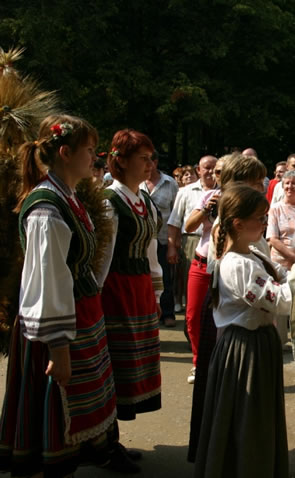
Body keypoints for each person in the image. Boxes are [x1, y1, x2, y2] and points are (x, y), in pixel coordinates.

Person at [0, 115, 119, 477]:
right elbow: (48, 283)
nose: (94, 158)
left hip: (80, 317)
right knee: (54, 420)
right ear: (65, 153)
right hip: (57, 330)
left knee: (78, 412)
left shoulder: (68, 197)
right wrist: (58, 349)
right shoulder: (47, 209)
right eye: (88, 150)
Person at [193, 183, 290, 478]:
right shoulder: (236, 265)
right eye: (260, 218)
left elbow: (284, 275)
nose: (265, 223)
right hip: (245, 350)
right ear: (238, 223)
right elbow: (278, 300)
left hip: (259, 343)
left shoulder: (253, 255)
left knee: (257, 415)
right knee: (247, 416)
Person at [187, 152, 269, 462]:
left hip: (236, 310)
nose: (262, 187)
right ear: (239, 185)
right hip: (231, 317)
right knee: (225, 388)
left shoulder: (243, 219)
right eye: (256, 182)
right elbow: (244, 278)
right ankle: (225, 453)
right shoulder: (230, 226)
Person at [96, 129, 163, 469]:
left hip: (139, 290)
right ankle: (105, 445)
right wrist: (94, 298)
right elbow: (102, 257)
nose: (149, 164)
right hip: (115, 291)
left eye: (151, 158)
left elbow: (151, 251)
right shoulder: (109, 201)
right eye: (143, 158)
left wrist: (156, 292)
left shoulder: (144, 200)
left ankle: (111, 442)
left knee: (130, 365)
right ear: (120, 161)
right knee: (113, 366)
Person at [182, 156, 225, 384]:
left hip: (226, 266)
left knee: (222, 316)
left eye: (222, 171)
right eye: (216, 172)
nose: (218, 176)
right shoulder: (208, 196)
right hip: (201, 263)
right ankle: (198, 362)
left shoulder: (241, 198)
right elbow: (189, 226)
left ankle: (219, 363)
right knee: (193, 316)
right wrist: (207, 208)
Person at [167, 156, 217, 315]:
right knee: (192, 287)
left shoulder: (225, 191)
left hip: (217, 244)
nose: (211, 172)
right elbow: (174, 221)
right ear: (198, 170)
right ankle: (191, 321)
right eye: (207, 168)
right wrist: (171, 247)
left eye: (214, 168)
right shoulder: (185, 192)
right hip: (192, 241)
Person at [141, 153, 179, 326]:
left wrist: (174, 244)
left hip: (163, 239)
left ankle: (168, 313)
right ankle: (148, 314)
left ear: (155, 162)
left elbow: (176, 215)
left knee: (165, 279)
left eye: (148, 160)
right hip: (142, 240)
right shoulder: (137, 182)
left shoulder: (170, 183)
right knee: (144, 279)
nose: (145, 165)